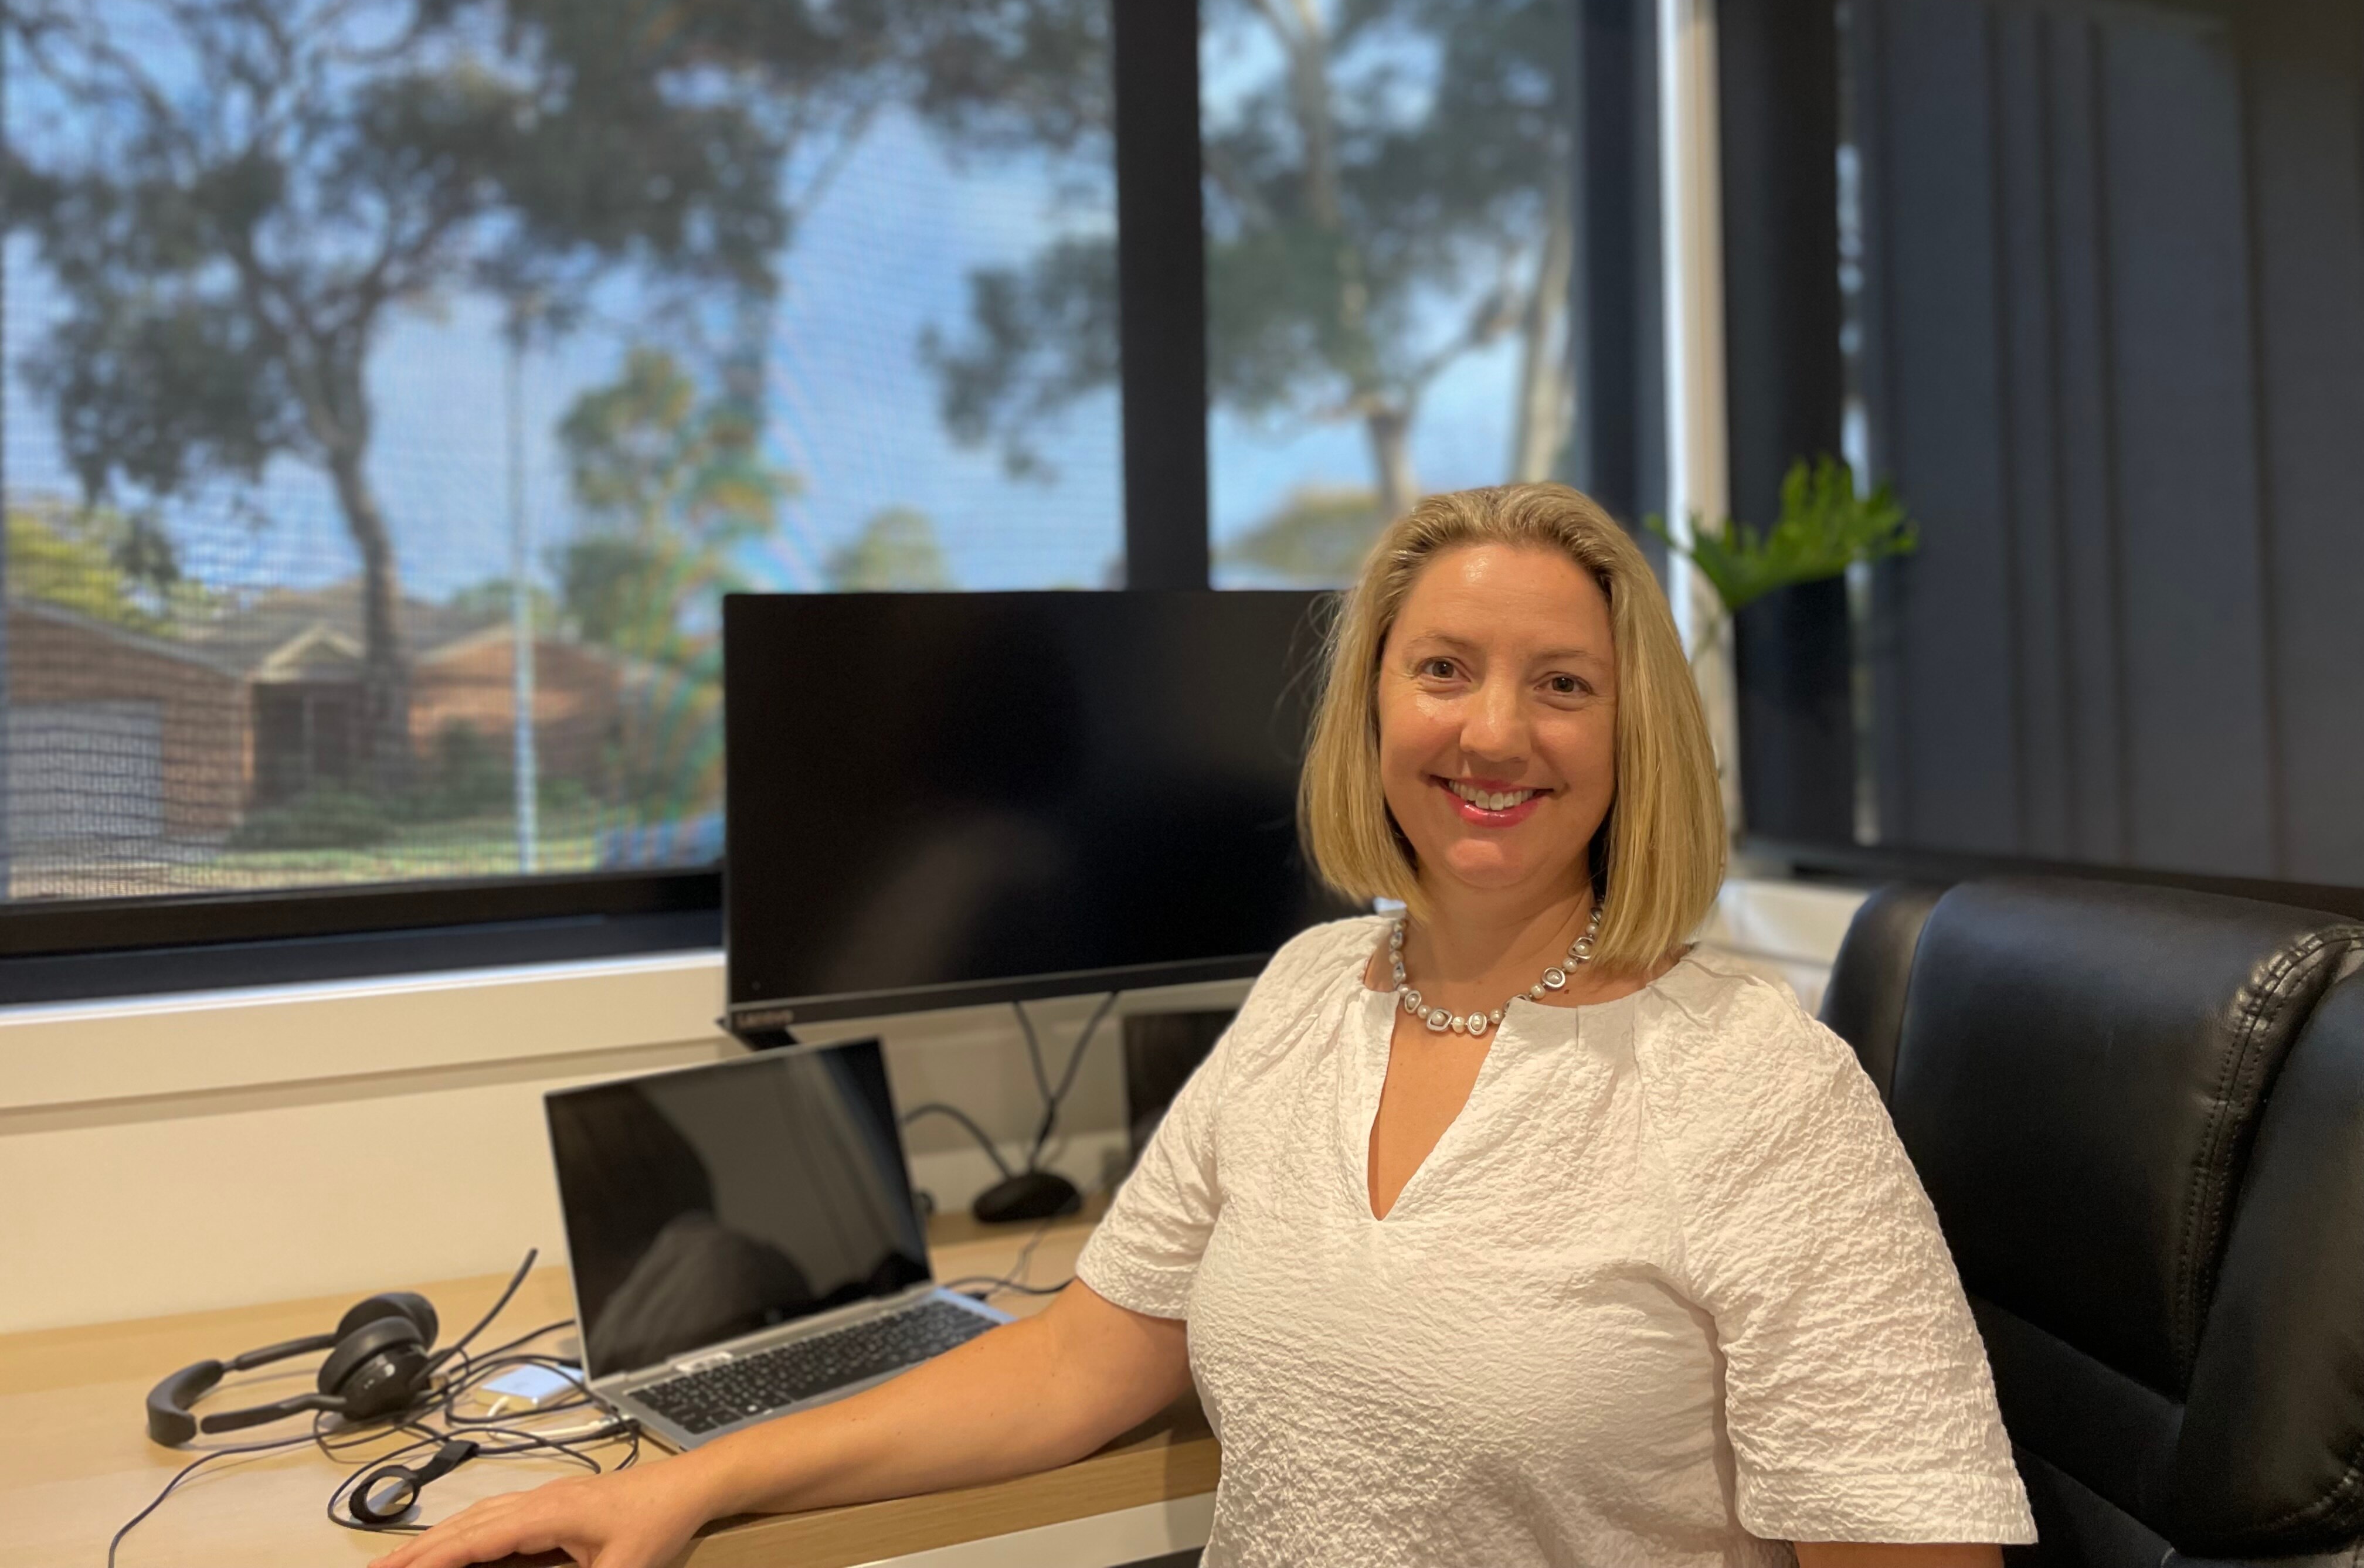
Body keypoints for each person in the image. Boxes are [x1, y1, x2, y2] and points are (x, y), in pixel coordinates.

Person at [375, 483, 2035, 1568]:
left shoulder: (1759, 1086)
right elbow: (1087, 1360)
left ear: (1633, 735)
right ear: (1375, 704)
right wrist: (682, 1484)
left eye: (1564, 685)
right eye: (1444, 668)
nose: (1494, 731)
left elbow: (1918, 1550)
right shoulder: (1315, 989)